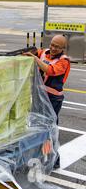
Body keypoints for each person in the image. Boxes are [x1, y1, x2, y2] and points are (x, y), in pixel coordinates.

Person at [24, 34, 71, 168]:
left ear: (63, 48)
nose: (53, 48)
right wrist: (27, 53)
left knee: (50, 129)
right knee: (37, 126)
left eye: (57, 46)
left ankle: (54, 160)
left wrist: (34, 58)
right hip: (40, 95)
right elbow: (34, 54)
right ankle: (39, 156)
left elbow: (50, 70)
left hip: (53, 99)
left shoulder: (64, 61)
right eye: (52, 45)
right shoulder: (44, 53)